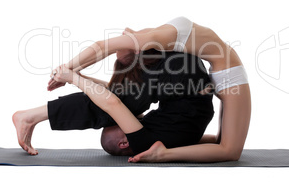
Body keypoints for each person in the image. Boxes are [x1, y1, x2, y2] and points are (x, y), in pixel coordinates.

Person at [48, 16, 251, 162]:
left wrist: (68, 71)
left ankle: (165, 153)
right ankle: (166, 152)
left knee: (228, 149)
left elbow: (102, 48)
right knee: (226, 147)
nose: (117, 45)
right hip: (226, 74)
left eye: (118, 49)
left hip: (226, 70)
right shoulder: (154, 38)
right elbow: (103, 51)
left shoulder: (152, 39)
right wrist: (71, 73)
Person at [13, 50, 213, 156]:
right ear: (125, 142)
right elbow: (113, 104)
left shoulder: (159, 141)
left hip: (184, 74)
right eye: (118, 123)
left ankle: (31, 117)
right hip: (179, 71)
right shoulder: (143, 143)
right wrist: (74, 79)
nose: (126, 118)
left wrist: (79, 78)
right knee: (111, 105)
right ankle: (30, 117)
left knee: (113, 101)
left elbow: (114, 99)